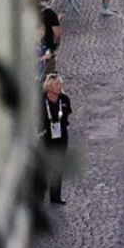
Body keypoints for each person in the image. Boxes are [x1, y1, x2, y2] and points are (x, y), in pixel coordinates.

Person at [39, 73, 72, 204]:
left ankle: (55, 196)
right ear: (49, 87)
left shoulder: (64, 99)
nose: (59, 87)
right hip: (45, 137)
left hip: (61, 137)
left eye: (60, 84)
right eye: (56, 84)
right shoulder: (41, 101)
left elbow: (67, 115)